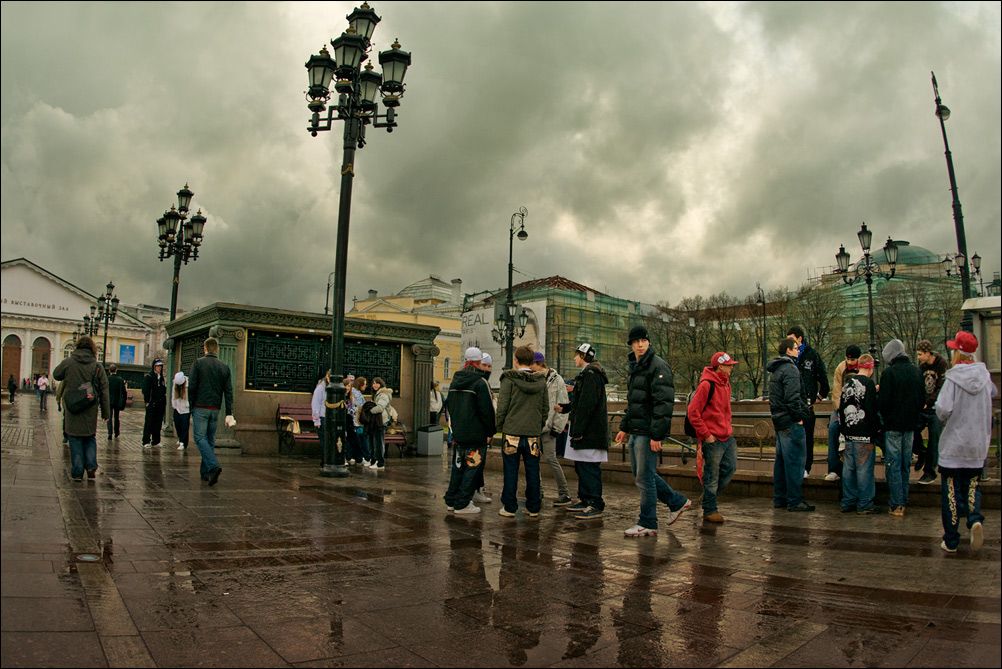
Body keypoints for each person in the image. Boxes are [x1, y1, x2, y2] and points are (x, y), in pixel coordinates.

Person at [616, 326, 691, 537]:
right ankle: (677, 501)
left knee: (645, 478)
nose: (640, 344)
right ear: (631, 344)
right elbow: (635, 402)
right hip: (637, 430)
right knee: (642, 476)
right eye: (636, 341)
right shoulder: (636, 366)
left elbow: (663, 405)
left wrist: (657, 435)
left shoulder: (658, 367)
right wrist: (624, 427)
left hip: (648, 432)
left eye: (643, 340)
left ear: (648, 342)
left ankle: (648, 522)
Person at [935, 331, 996, 553]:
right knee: (972, 487)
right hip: (977, 447)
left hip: (954, 446)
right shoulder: (985, 376)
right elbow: (992, 393)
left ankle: (951, 540)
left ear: (957, 352)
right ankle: (974, 518)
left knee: (950, 492)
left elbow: (942, 410)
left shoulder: (953, 378)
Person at [555, 343, 608, 519]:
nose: (574, 358)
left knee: (589, 466)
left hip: (589, 431)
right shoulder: (588, 375)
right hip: (586, 429)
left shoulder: (591, 375)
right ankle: (585, 499)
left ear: (584, 356)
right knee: (581, 465)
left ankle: (594, 502)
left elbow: (587, 405)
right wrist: (565, 408)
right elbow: (581, 401)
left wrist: (578, 429)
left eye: (577, 355)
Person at [495, 345, 548, 518]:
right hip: (533, 433)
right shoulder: (541, 381)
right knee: (533, 469)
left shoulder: (508, 380)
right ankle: (533, 507)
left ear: (516, 360)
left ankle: (510, 507)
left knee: (511, 469)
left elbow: (502, 407)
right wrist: (537, 426)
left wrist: (500, 426)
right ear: (532, 361)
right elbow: (545, 409)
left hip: (511, 432)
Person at [687, 352, 740, 523]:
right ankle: (710, 509)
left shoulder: (725, 384)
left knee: (730, 468)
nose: (732, 367)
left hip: (725, 436)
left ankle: (708, 498)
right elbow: (693, 412)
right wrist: (707, 435)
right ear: (720, 366)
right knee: (712, 474)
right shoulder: (707, 385)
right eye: (729, 364)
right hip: (713, 437)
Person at [443, 346, 496, 514]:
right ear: (479, 362)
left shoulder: (455, 381)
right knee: (472, 468)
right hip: (475, 434)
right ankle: (463, 503)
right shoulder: (480, 383)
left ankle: (451, 500)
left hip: (459, 433)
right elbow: (486, 411)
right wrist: (490, 432)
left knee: (458, 467)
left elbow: (450, 407)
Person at [877, 339, 925, 517]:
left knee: (893, 464)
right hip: (910, 426)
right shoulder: (916, 372)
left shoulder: (889, 374)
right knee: (905, 464)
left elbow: (883, 402)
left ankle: (896, 504)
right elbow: (922, 399)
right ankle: (903, 499)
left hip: (893, 426)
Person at [52, 336, 109, 481]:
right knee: (90, 437)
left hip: (72, 407)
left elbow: (56, 374)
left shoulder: (69, 362)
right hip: (90, 408)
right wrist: (106, 412)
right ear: (92, 349)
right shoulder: (97, 366)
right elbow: (104, 389)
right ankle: (90, 466)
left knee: (75, 438)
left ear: (77, 347)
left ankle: (77, 472)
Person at [768, 338, 814, 512]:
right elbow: (793, 398)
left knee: (780, 462)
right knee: (795, 461)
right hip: (790, 420)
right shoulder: (791, 369)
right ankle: (795, 500)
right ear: (788, 350)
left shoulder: (777, 369)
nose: (799, 350)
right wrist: (799, 417)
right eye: (796, 348)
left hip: (779, 419)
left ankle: (780, 498)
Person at [838, 354, 882, 515]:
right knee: (864, 470)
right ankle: (864, 503)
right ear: (870, 368)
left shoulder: (848, 383)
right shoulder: (869, 384)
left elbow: (841, 409)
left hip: (849, 433)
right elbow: (871, 410)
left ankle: (847, 501)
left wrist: (844, 429)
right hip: (864, 434)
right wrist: (876, 428)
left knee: (848, 469)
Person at [189, 337, 235, 486]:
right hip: (215, 409)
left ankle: (213, 465)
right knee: (209, 440)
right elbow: (228, 392)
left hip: (200, 407)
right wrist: (229, 412)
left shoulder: (198, 363)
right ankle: (206, 472)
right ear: (217, 349)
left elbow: (192, 387)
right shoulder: (224, 367)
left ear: (205, 348)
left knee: (199, 438)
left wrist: (191, 406)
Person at [785, 326, 829, 478]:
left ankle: (806, 467)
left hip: (806, 406)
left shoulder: (812, 355)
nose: (790, 344)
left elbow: (824, 382)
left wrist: (817, 398)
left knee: (807, 439)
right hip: (791, 406)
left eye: (791, 340)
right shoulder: (788, 357)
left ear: (799, 339)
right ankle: (793, 467)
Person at [530, 351, 571, 506]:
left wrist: (557, 428)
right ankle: (537, 491)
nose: (531, 367)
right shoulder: (533, 379)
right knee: (533, 460)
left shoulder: (556, 379)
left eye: (532, 364)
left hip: (549, 427)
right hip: (534, 427)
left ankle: (564, 493)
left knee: (551, 458)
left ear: (540, 363)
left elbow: (562, 403)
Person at [914, 339, 949, 485]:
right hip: (924, 407)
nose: (919, 357)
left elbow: (942, 387)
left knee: (934, 438)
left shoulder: (942, 364)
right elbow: (918, 386)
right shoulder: (922, 367)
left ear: (928, 353)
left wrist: (928, 402)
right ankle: (921, 451)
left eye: (921, 354)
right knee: (913, 428)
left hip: (936, 408)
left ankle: (929, 472)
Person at [825, 345, 861, 481]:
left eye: (853, 360)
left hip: (858, 407)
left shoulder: (863, 367)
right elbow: (837, 391)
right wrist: (841, 411)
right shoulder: (841, 368)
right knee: (834, 428)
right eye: (848, 359)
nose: (850, 363)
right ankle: (834, 469)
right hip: (842, 407)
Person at [367, 377, 392, 470]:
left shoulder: (383, 394)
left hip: (381, 420)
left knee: (378, 442)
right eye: (373, 383)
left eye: (377, 383)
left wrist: (370, 411)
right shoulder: (377, 394)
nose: (375, 385)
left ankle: (380, 462)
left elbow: (381, 407)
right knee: (374, 441)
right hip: (377, 420)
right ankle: (374, 460)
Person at [141, 358, 167, 448]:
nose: (159, 368)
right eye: (157, 366)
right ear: (154, 367)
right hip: (152, 403)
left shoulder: (161, 378)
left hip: (160, 404)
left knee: (158, 423)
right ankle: (146, 440)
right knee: (149, 422)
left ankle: (156, 440)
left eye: (160, 366)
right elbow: (145, 390)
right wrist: (147, 401)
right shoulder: (149, 377)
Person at [350, 376, 371, 466]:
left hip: (353, 420)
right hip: (357, 421)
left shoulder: (353, 392)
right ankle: (366, 457)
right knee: (362, 439)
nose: (365, 386)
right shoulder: (357, 394)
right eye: (365, 384)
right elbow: (359, 407)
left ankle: (353, 456)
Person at [312, 370, 330, 465]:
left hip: (329, 418)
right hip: (322, 417)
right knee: (324, 441)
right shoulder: (320, 388)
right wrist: (317, 420)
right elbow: (315, 404)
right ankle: (325, 461)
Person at [106, 363, 128, 440]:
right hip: (117, 401)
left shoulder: (107, 379)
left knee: (109, 417)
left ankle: (109, 433)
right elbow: (124, 392)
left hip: (109, 400)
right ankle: (116, 432)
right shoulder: (120, 380)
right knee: (116, 417)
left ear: (109, 371)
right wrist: (124, 400)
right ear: (116, 370)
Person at [172, 372, 190, 450]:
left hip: (186, 409)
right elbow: (173, 395)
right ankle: (180, 438)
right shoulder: (175, 384)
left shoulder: (187, 386)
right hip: (177, 407)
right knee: (177, 424)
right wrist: (174, 405)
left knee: (184, 426)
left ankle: (183, 442)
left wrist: (188, 405)